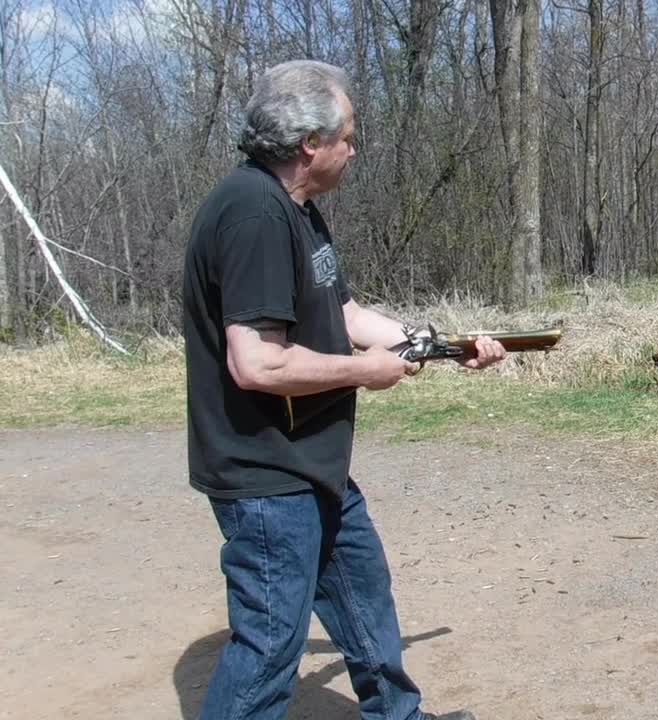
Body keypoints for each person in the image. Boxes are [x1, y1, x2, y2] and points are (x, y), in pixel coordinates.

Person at [181, 59, 503, 720]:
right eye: (348, 136)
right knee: (270, 645)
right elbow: (256, 364)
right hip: (266, 476)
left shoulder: (299, 212)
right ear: (310, 144)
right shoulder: (253, 214)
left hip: (312, 463)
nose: (354, 150)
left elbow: (349, 318)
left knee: (362, 596)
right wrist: (366, 372)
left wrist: (443, 346)